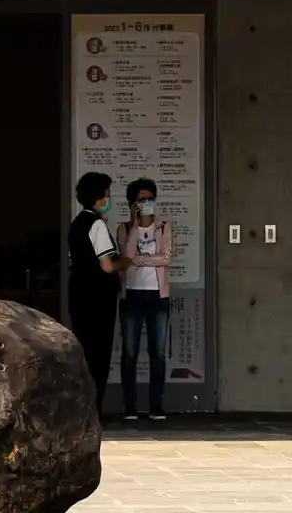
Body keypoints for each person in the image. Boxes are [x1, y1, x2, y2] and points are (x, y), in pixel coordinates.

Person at [68, 171, 127, 416]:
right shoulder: (97, 224)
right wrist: (126, 261)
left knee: (84, 351)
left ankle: (81, 409)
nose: (108, 199)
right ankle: (94, 410)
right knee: (99, 354)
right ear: (97, 197)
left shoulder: (76, 224)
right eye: (107, 194)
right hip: (98, 297)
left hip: (79, 292)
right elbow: (107, 265)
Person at [115, 176, 172, 421]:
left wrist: (142, 259)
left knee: (157, 352)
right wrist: (136, 225)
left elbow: (166, 258)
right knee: (130, 351)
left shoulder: (164, 226)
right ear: (132, 203)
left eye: (150, 199)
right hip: (132, 295)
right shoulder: (125, 228)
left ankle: (156, 405)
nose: (146, 203)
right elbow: (126, 258)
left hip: (157, 296)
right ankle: (130, 406)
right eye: (141, 200)